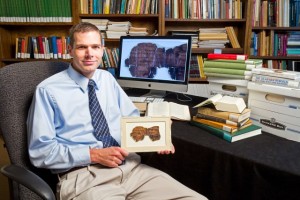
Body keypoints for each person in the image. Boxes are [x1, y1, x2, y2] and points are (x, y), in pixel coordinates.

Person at [27, 22, 207, 200]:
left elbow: (131, 120)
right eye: (82, 47)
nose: (90, 54)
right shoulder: (48, 91)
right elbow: (40, 152)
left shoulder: (106, 79)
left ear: (102, 50)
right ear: (70, 50)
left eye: (95, 47)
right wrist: (94, 154)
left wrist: (155, 137)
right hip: (85, 177)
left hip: (131, 170)